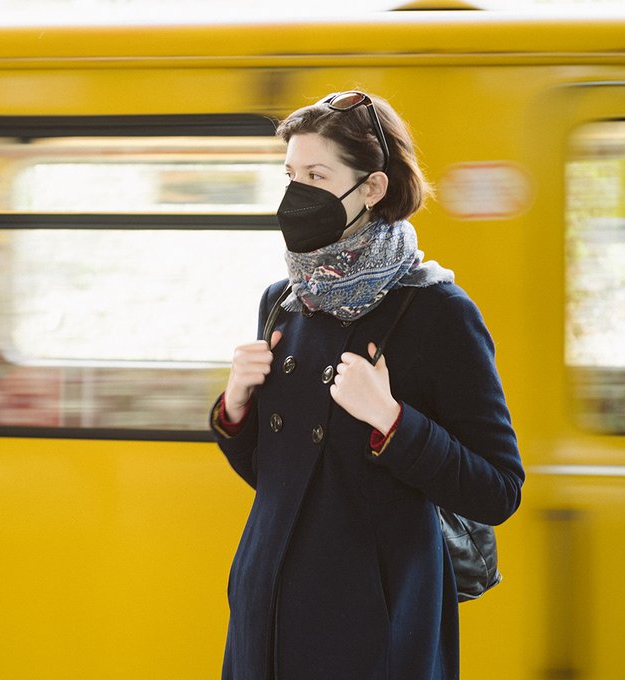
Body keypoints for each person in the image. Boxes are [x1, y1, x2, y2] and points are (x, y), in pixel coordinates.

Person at [209, 91, 524, 680]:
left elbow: (498, 490)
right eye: (291, 175)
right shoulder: (283, 303)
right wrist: (235, 406)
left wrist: (393, 422)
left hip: (375, 620)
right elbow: (279, 476)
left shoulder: (438, 312)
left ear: (372, 189)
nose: (295, 194)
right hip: (266, 603)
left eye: (317, 175)